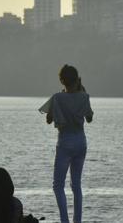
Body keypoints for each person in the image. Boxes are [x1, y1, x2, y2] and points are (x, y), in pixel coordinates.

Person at [38, 65, 93, 223]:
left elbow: (49, 120)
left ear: (62, 80)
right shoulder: (84, 96)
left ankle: (64, 221)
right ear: (77, 79)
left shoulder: (57, 98)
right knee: (76, 185)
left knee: (58, 185)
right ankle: (77, 221)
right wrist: (81, 94)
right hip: (81, 141)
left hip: (65, 141)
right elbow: (89, 118)